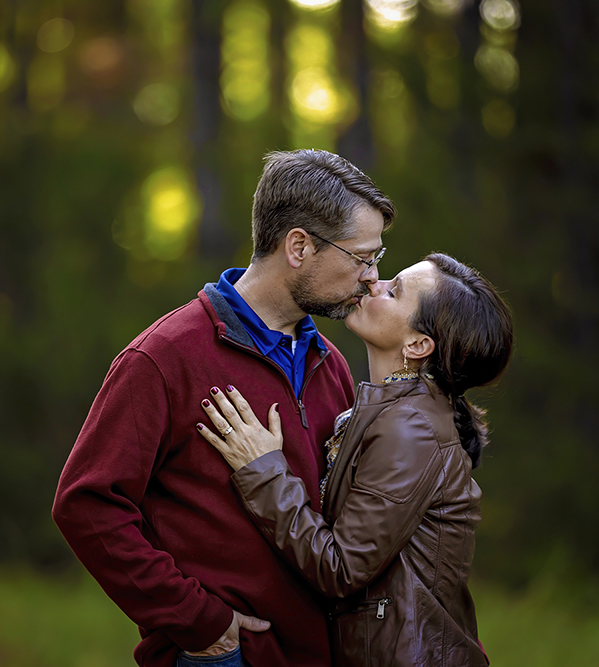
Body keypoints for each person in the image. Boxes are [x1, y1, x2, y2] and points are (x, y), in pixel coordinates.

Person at [52, 149, 395, 667]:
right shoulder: (165, 357)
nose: (371, 277)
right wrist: (197, 621)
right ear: (298, 246)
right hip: (224, 656)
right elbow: (87, 504)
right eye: (361, 257)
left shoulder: (331, 365)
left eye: (377, 258)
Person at [196, 253, 513, 667]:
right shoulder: (396, 415)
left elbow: (340, 567)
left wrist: (263, 470)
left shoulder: (410, 430)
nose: (374, 283)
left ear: (418, 345)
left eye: (394, 291)